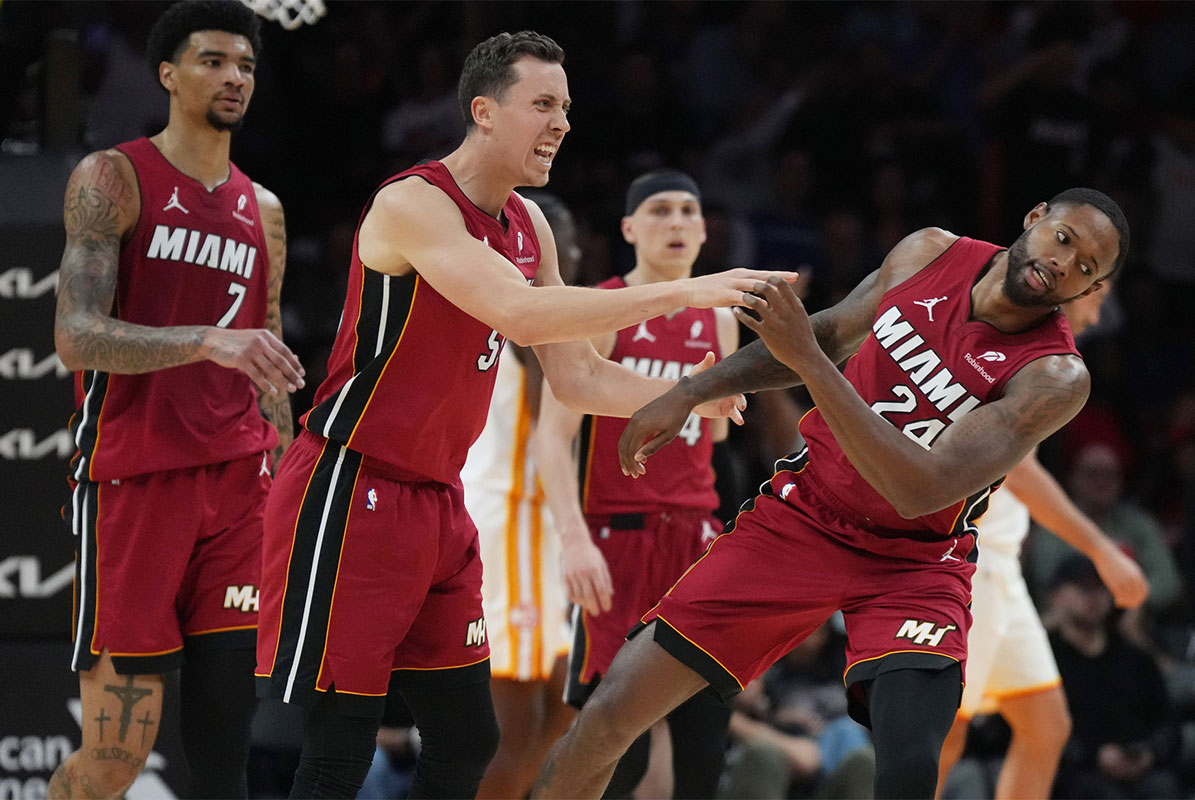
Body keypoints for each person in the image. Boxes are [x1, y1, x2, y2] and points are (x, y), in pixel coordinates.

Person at [252, 31, 777, 799]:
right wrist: (685, 289)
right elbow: (520, 314)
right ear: (483, 112)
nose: (561, 123)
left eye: (565, 107)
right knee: (339, 746)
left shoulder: (528, 226)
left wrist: (686, 393)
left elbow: (579, 377)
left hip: (438, 497)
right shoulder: (412, 202)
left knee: (470, 738)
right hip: (350, 481)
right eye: (542, 105)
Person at [533, 187, 1131, 800]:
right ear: (1035, 219)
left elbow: (919, 489)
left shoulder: (1055, 376)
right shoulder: (928, 252)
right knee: (608, 716)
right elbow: (834, 330)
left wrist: (813, 363)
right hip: (804, 516)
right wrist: (691, 389)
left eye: (1086, 269)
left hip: (914, 563)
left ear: (1089, 292)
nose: (1065, 264)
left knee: (909, 774)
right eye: (1064, 240)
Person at [49, 2, 305, 798]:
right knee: (114, 762)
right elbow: (75, 335)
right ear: (167, 74)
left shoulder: (264, 211)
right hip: (135, 482)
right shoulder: (113, 177)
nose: (233, 77)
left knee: (227, 747)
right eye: (213, 61)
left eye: (246, 66)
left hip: (237, 490)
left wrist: (289, 486)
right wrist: (203, 339)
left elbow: (266, 365)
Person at [533, 169, 738, 799]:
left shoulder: (721, 320)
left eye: (687, 211)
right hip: (615, 544)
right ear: (628, 229)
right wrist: (572, 540)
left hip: (694, 547)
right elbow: (551, 437)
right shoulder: (602, 307)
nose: (676, 222)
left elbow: (719, 440)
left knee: (705, 746)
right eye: (658, 210)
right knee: (610, 753)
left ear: (705, 231)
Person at [935, 285, 1150, 800]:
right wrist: (1102, 550)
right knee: (944, 732)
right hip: (970, 564)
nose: (1100, 314)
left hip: (1001, 569)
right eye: (1099, 293)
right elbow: (1018, 472)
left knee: (1046, 726)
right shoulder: (1016, 346)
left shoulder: (1046, 351)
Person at [463, 192, 580, 800]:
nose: (574, 255)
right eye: (560, 244)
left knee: (565, 707)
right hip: (504, 522)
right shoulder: (522, 329)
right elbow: (550, 423)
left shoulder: (556, 329)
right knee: (512, 728)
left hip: (542, 527)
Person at [1046, 555, 1181, 799]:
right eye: (1082, 587)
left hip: (1142, 769)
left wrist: (1150, 753)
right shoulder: (1044, 662)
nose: (1093, 596)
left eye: (1100, 587)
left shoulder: (1135, 657)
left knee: (1164, 787)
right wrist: (1095, 755)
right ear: (1057, 595)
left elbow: (1168, 724)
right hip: (1078, 775)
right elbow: (1040, 733)